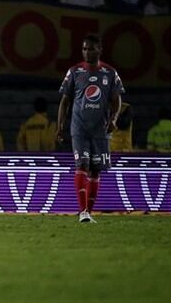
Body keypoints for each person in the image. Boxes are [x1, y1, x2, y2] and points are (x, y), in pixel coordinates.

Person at [57, 34, 124, 223]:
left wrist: (114, 119)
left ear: (100, 49)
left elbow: (117, 99)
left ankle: (88, 213)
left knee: (95, 170)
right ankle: (83, 211)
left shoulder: (110, 73)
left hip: (100, 130)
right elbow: (65, 101)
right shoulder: (74, 72)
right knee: (82, 165)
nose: (87, 52)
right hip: (79, 128)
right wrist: (60, 126)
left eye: (91, 49)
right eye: (84, 49)